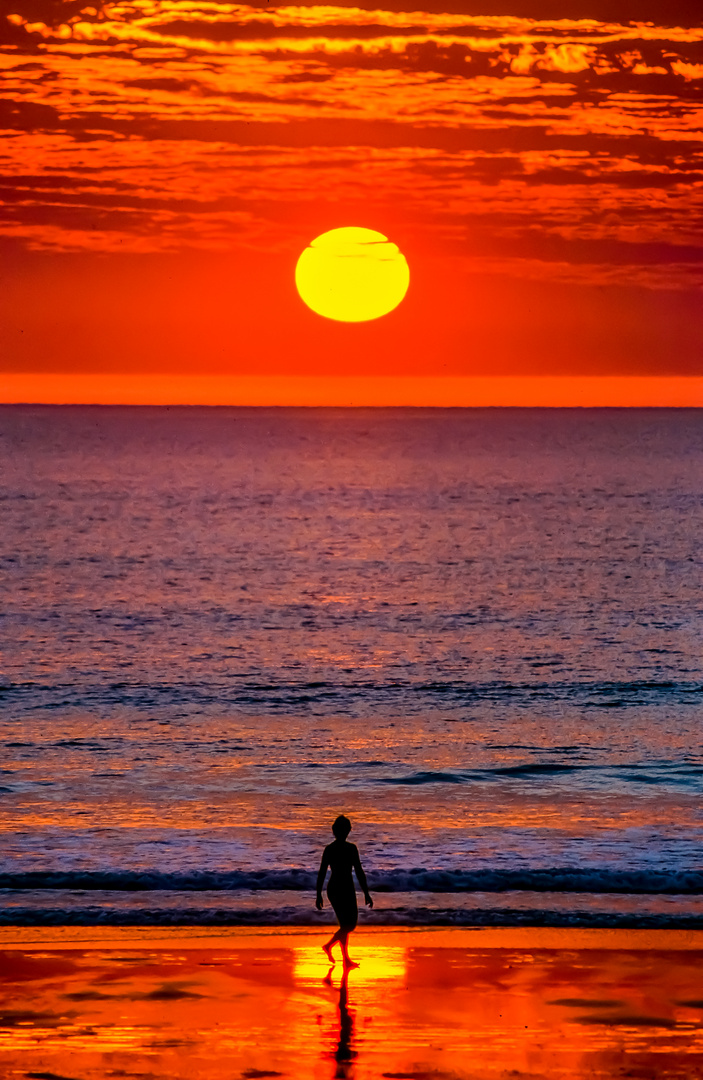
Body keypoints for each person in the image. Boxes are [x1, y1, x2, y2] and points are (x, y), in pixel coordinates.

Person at [316, 815, 373, 968]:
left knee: (347, 925)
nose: (345, 832)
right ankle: (330, 948)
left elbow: (360, 872)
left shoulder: (349, 848)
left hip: (345, 888)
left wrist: (366, 893)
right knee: (347, 925)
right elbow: (321, 872)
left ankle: (344, 957)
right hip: (337, 888)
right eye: (343, 829)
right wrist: (318, 894)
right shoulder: (335, 849)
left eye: (346, 829)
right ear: (337, 831)